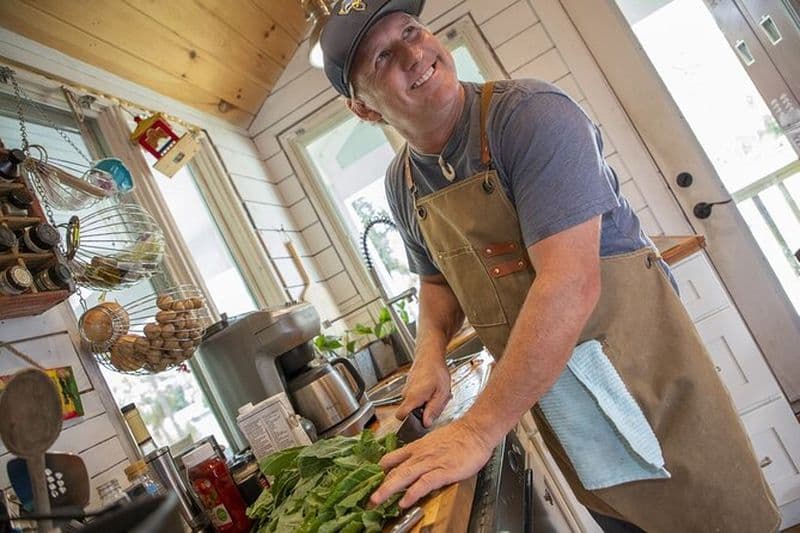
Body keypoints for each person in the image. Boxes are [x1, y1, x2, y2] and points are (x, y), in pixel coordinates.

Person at [319, 1, 780, 531]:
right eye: (382, 56)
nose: (414, 53)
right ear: (365, 110)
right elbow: (434, 278)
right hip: (563, 404)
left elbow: (570, 283)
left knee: (719, 514)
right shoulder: (402, 183)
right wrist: (429, 355)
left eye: (411, 30)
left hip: (645, 377)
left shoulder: (530, 116)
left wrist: (475, 432)